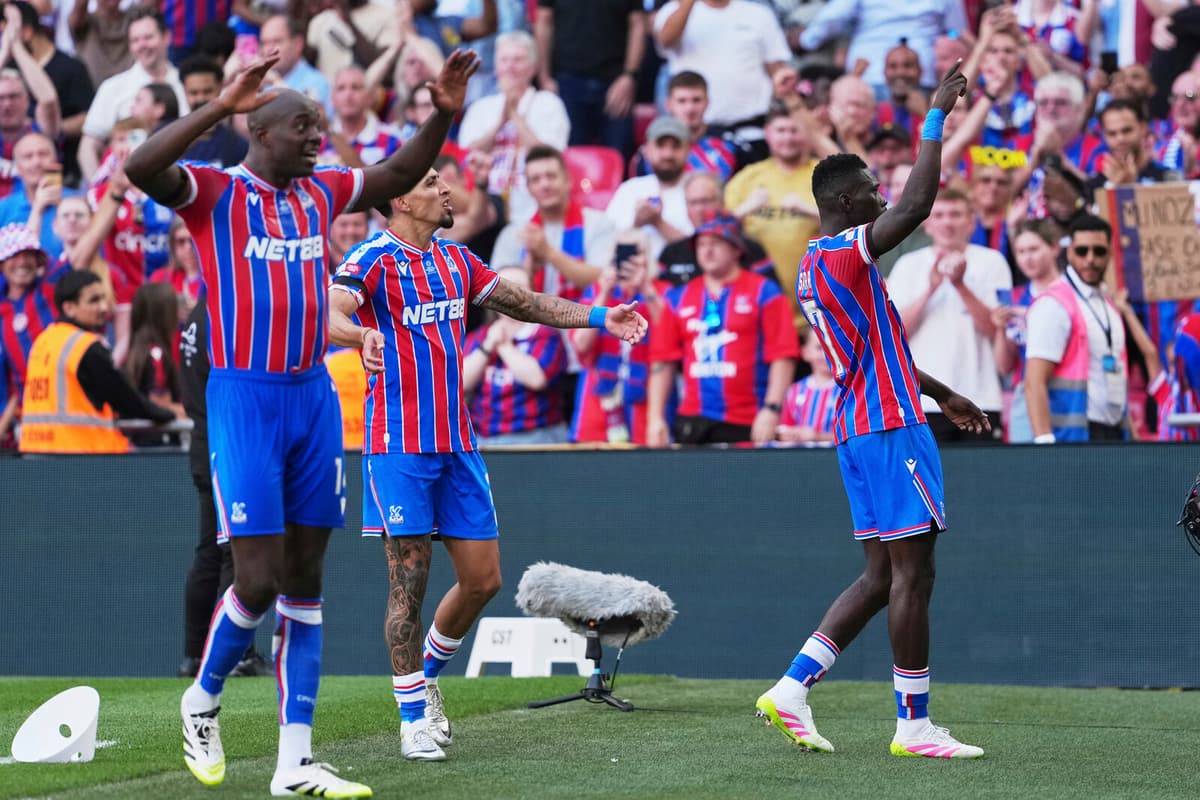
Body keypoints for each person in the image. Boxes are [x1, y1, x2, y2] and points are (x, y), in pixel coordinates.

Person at [124, 45, 483, 797]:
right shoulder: (215, 192)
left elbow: (391, 174)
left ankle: (294, 764)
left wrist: (441, 114)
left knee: (307, 584)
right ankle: (202, 700)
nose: (318, 136)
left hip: (312, 398)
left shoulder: (317, 193)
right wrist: (220, 105)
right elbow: (139, 168)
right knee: (254, 581)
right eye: (303, 126)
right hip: (245, 399)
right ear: (261, 132)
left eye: (320, 126)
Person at [327, 164, 647, 762]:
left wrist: (603, 316)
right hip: (398, 444)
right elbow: (332, 307)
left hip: (459, 443)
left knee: (483, 581)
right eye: (430, 183)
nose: (445, 190)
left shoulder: (456, 259)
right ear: (399, 199)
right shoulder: (372, 257)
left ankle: (423, 680)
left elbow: (523, 303)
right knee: (409, 582)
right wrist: (356, 336)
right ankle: (412, 717)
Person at [755, 62, 990, 760]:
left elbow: (876, 347)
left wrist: (940, 389)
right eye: (872, 190)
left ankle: (793, 689)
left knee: (882, 576)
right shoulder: (841, 254)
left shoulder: (820, 266)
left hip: (863, 425)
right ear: (848, 201)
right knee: (915, 576)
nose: (882, 196)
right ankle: (913, 726)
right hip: (889, 431)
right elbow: (917, 207)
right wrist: (935, 118)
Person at [646, 213, 798, 446]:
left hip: (749, 418)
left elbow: (783, 354)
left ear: (737, 250)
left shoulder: (764, 292)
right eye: (701, 244)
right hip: (693, 418)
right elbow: (662, 360)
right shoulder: (677, 297)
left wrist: (772, 408)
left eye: (716, 243)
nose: (707, 251)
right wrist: (655, 418)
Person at [887, 188, 1011, 443]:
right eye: (940, 215)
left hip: (981, 396)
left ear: (971, 222)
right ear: (928, 224)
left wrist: (959, 285)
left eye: (955, 214)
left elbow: (998, 329)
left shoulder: (993, 261)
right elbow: (893, 332)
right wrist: (930, 289)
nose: (947, 222)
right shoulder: (908, 264)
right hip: (922, 401)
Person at [20, 268, 173, 452]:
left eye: (103, 298)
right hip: (82, 457)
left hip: (35, 455)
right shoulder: (84, 347)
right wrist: (168, 415)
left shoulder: (43, 340)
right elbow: (125, 399)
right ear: (69, 308)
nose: (103, 307)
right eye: (94, 301)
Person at [1024, 215, 1130, 443]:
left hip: (1111, 431)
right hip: (1072, 438)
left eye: (1099, 251)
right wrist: (1044, 441)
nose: (1090, 259)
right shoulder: (1053, 304)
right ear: (1069, 252)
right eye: (1082, 251)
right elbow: (1034, 381)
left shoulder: (1108, 303)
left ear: (1110, 253)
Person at [464, 265, 569, 445]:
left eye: (518, 287)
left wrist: (504, 345)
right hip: (484, 437)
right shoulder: (479, 337)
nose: (510, 295)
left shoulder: (545, 335)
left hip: (537, 438)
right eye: (502, 288)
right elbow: (460, 382)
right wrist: (488, 345)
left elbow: (538, 379)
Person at [776, 330, 837, 445]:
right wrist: (787, 435)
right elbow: (785, 428)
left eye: (833, 348)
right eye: (820, 348)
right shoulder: (794, 391)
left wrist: (819, 437)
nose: (827, 355)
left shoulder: (846, 391)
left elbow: (854, 435)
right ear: (805, 352)